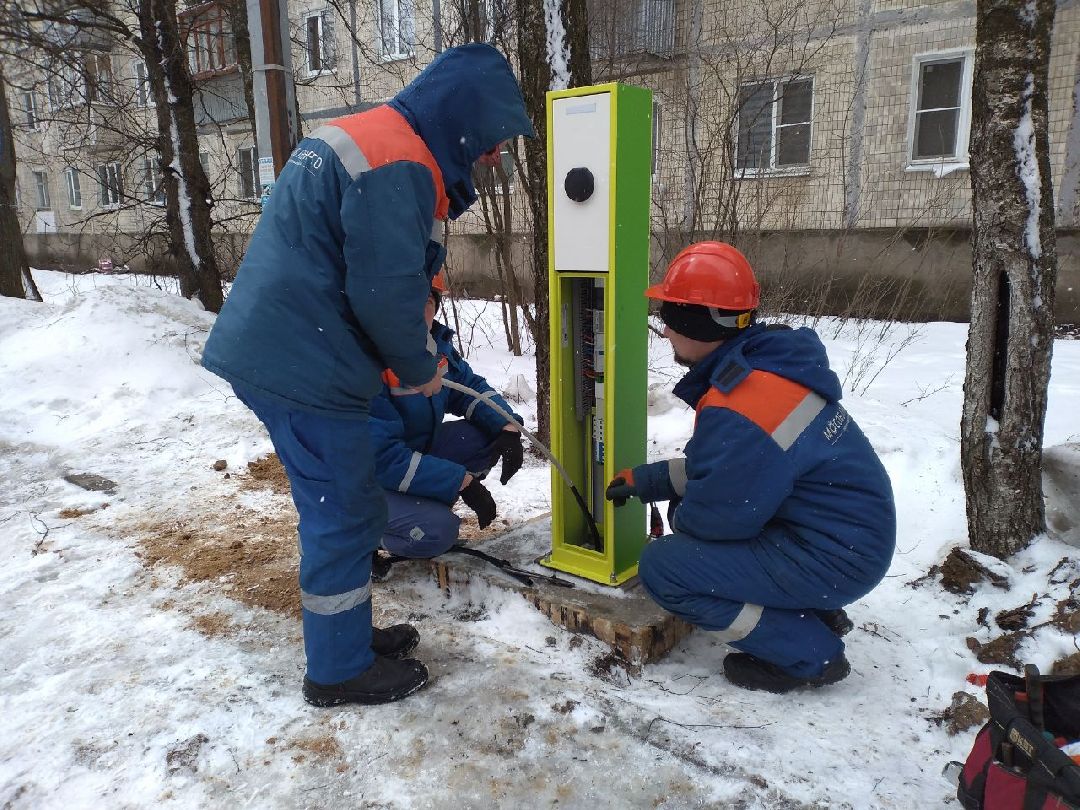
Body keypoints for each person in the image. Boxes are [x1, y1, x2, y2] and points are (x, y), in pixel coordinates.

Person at [201, 43, 535, 707]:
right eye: (492, 140)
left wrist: (468, 398)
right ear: (463, 120)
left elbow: (397, 306)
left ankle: (349, 640)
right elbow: (386, 298)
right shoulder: (400, 159)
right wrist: (419, 377)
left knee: (344, 511)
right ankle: (337, 672)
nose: (494, 157)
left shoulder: (381, 140)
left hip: (298, 352)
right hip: (305, 365)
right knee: (343, 516)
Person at [606, 241, 896, 693]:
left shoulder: (743, 403)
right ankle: (813, 610)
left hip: (835, 558)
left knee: (665, 567)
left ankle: (807, 653)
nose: (663, 331)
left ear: (693, 322)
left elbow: (720, 516)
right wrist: (649, 481)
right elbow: (731, 471)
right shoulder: (766, 366)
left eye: (667, 317)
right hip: (842, 536)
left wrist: (681, 517)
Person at [370, 271, 524, 564]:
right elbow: (381, 459)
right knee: (437, 532)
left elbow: (470, 390)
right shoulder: (367, 361)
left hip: (406, 458)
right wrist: (460, 482)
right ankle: (356, 536)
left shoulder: (434, 349)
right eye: (408, 299)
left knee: (483, 437)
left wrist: (507, 427)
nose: (418, 310)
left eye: (427, 300)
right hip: (360, 482)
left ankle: (417, 505)